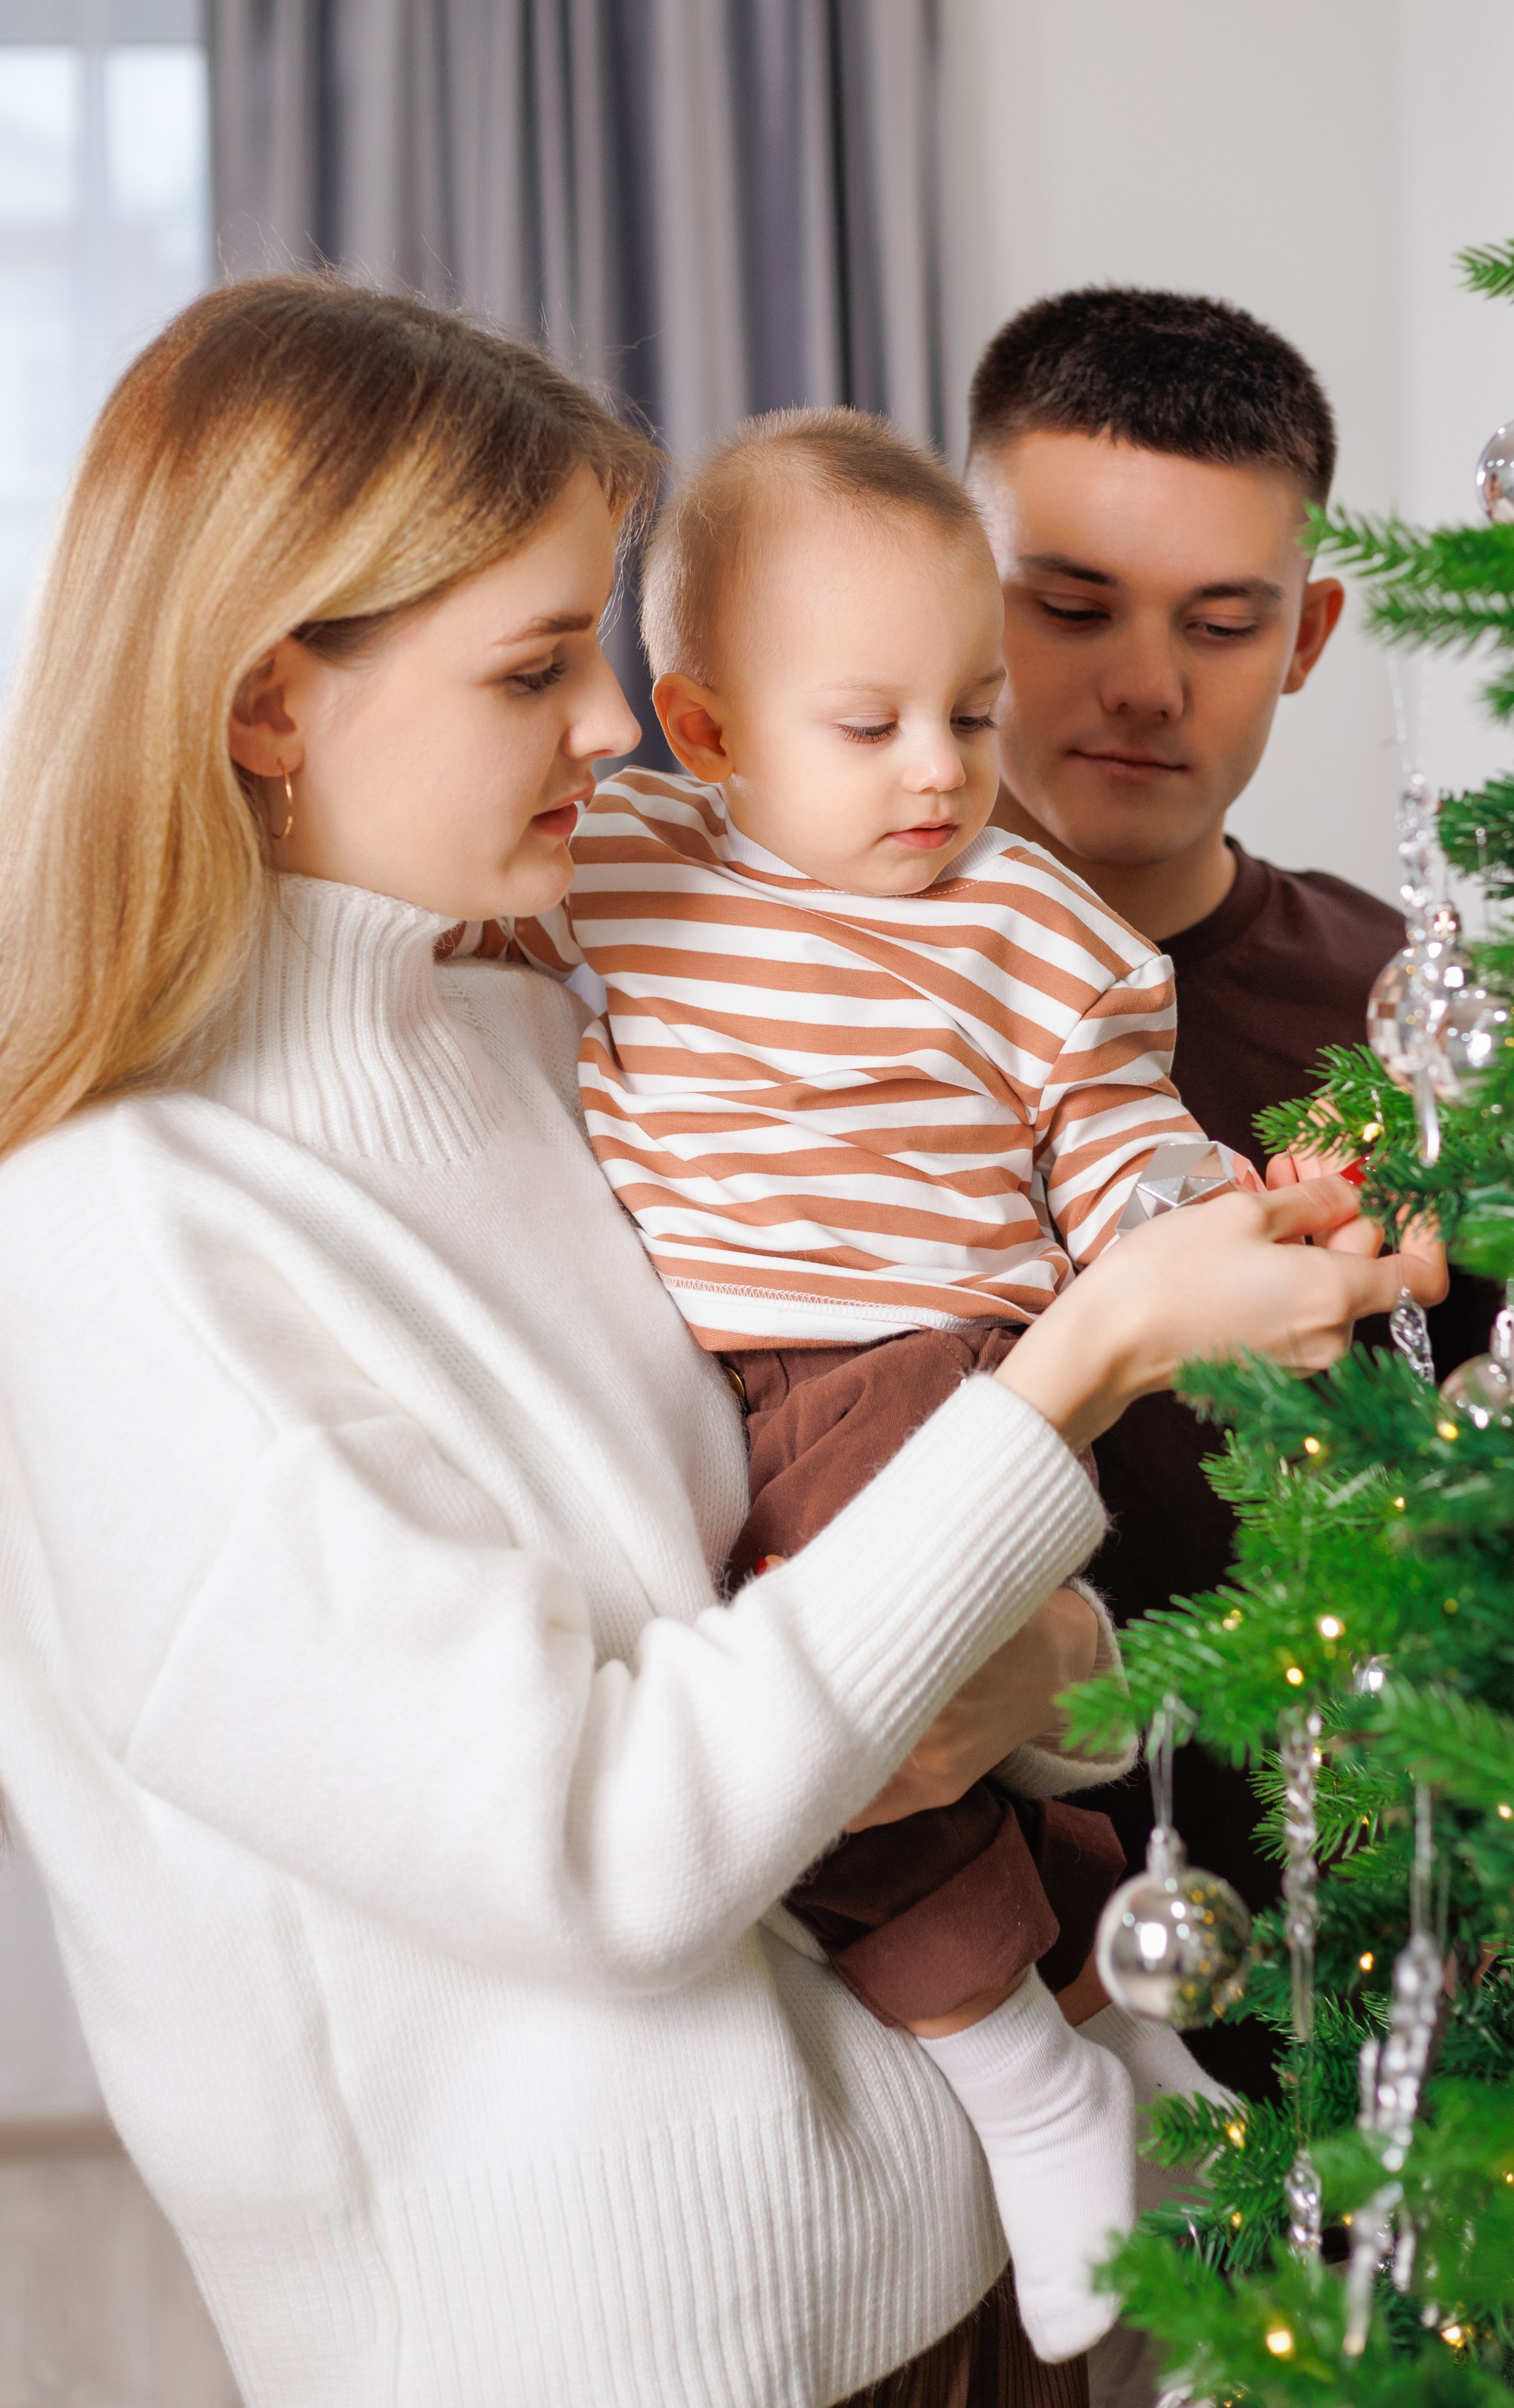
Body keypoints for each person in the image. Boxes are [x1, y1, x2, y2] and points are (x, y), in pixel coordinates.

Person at [0, 277, 1441, 2408]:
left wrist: (1053, 1683)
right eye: (528, 669)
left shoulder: (530, 1038)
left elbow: (805, 1593)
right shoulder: (124, 1247)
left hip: (957, 2259)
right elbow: (607, 1852)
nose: (610, 731)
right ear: (270, 710)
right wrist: (1085, 1361)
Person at [457, 405, 1289, 2361]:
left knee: (813, 1726)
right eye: (872, 725)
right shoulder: (632, 856)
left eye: (974, 716)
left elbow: (1117, 1142)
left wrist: (1216, 1201)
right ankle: (1102, 2015)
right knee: (767, 1745)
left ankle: (1019, 2071)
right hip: (729, 1404)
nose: (942, 775)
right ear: (716, 732)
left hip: (929, 1383)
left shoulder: (1028, 926)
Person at [967, 286, 1496, 2108]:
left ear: (1308, 635)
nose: (1142, 685)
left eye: (1219, 623)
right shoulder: (788, 992)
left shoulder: (1399, 1006)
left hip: (1343, 1968)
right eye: (1068, 608)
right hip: (934, 1986)